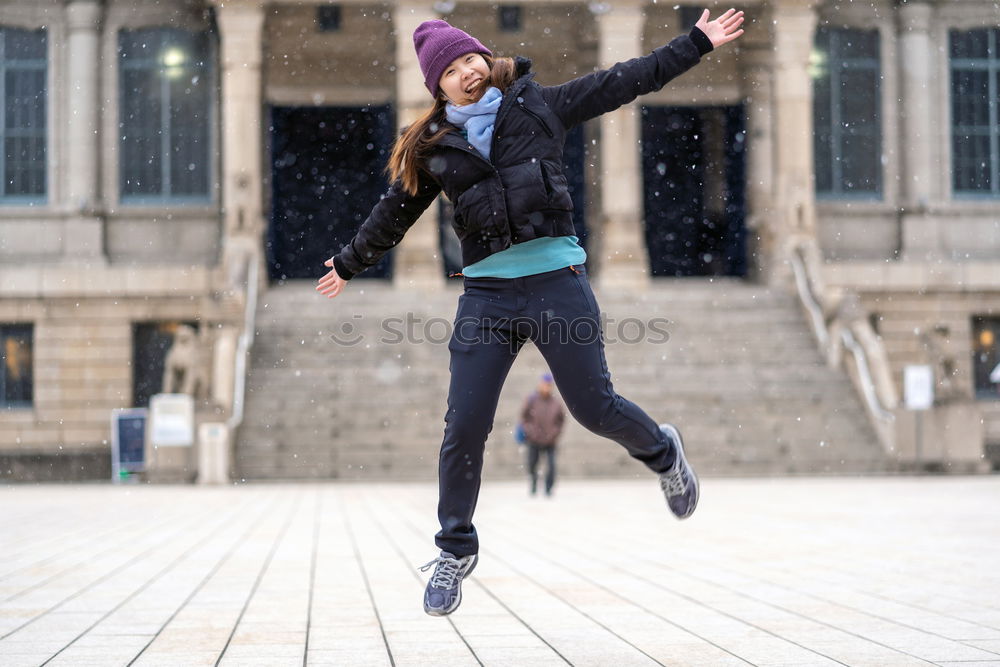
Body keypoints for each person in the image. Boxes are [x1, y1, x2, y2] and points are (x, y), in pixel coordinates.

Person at [316, 8, 745, 616]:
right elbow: (396, 211)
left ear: (486, 61)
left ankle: (664, 454)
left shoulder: (539, 106)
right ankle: (453, 550)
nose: (467, 71)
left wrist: (695, 43)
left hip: (555, 283)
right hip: (486, 297)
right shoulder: (437, 148)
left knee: (595, 408)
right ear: (436, 86)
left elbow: (626, 79)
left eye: (472, 59)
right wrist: (349, 262)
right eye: (452, 69)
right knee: (463, 424)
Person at [520, 373, 564, 497]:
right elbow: (524, 417)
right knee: (532, 463)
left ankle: (548, 488)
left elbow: (561, 421)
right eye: (545, 384)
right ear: (540, 384)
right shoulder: (532, 400)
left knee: (551, 465)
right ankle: (534, 482)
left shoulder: (556, 402)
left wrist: (555, 433)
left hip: (550, 440)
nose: (547, 387)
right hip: (534, 439)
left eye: (549, 385)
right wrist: (530, 431)